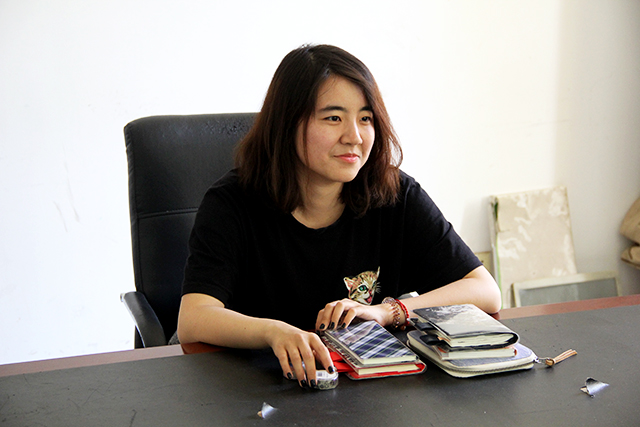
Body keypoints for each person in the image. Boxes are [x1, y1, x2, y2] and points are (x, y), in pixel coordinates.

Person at [177, 44, 501, 388]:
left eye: (365, 118)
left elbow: (484, 290)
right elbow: (193, 319)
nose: (354, 137)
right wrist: (273, 331)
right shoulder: (231, 203)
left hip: (364, 387)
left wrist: (387, 311)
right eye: (333, 118)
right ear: (287, 123)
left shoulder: (394, 193)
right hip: (256, 385)